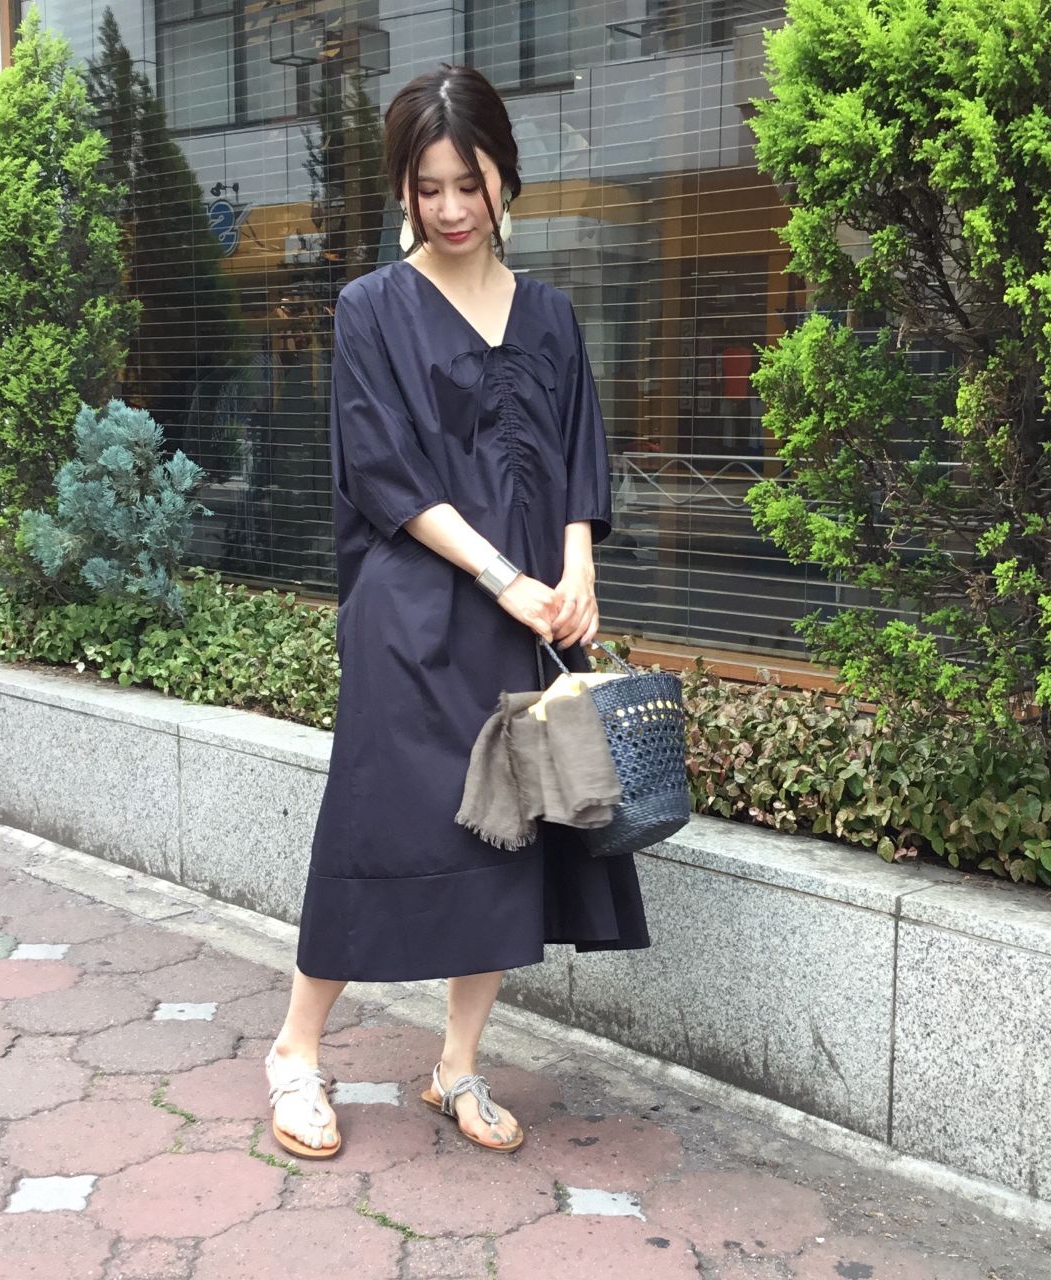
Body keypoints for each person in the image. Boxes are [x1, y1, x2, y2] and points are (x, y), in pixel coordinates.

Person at [263, 64, 650, 1159]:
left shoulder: (551, 315)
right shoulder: (370, 310)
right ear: (402, 189)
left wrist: (576, 570)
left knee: (503, 837)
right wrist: (502, 575)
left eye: (467, 183)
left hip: (525, 617)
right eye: (426, 186)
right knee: (375, 824)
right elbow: (381, 471)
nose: (448, 208)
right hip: (412, 613)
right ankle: (295, 1051)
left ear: (502, 179)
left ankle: (456, 1066)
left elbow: (578, 452)